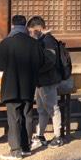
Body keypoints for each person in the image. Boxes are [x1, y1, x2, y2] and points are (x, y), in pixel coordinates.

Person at [0, 14, 44, 160]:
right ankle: (26, 147)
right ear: (25, 26)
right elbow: (41, 62)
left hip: (11, 85)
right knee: (27, 115)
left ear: (13, 26)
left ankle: (15, 150)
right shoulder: (33, 43)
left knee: (14, 117)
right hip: (28, 85)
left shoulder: (7, 43)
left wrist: (7, 67)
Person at [27, 16, 65, 149]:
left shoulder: (47, 41)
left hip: (47, 80)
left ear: (37, 29)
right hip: (42, 80)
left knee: (52, 108)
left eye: (31, 31)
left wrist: (36, 70)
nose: (30, 34)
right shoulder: (43, 40)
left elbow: (50, 61)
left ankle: (58, 136)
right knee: (42, 109)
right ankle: (40, 135)